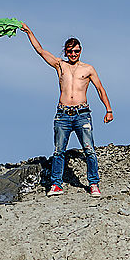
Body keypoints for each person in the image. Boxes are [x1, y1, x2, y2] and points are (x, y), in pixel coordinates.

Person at [20, 22, 113, 197]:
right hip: (62, 114)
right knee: (58, 151)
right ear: (65, 52)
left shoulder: (88, 69)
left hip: (82, 114)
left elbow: (100, 89)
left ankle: (93, 184)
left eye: (76, 51)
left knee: (89, 150)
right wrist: (29, 32)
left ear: (80, 51)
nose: (73, 54)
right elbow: (40, 51)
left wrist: (108, 109)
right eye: (70, 51)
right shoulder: (60, 65)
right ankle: (56, 185)